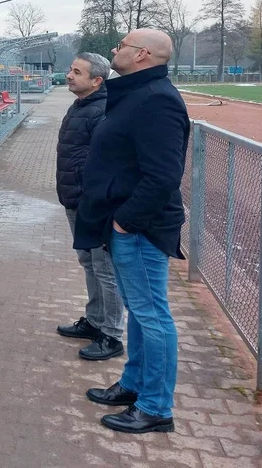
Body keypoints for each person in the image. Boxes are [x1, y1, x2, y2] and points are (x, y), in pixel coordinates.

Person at [77, 29, 189, 434]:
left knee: (151, 315)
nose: (114, 49)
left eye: (121, 45)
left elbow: (163, 175)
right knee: (141, 313)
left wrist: (127, 220)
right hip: (125, 224)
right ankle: (135, 384)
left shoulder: (157, 100)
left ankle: (156, 407)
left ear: (142, 55)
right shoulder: (140, 93)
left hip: (139, 228)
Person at [55, 53, 125, 361]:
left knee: (105, 267)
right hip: (75, 199)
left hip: (93, 202)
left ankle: (111, 334)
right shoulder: (82, 105)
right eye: (71, 69)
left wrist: (94, 198)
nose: (69, 75)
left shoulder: (103, 110)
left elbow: (107, 162)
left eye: (77, 72)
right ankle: (95, 320)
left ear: (97, 80)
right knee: (88, 262)